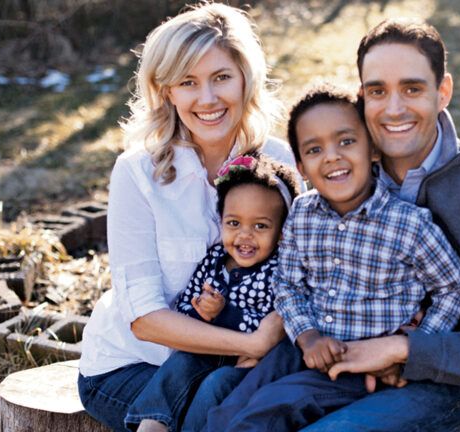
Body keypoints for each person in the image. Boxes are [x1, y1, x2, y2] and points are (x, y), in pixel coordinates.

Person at [301, 19, 460, 431]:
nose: (394, 108)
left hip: (450, 384)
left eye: (412, 88)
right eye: (377, 91)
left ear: (443, 92)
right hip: (338, 357)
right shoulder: (339, 173)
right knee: (224, 400)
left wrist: (401, 349)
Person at [203, 85, 460, 431]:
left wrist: (411, 347)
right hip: (302, 347)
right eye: (315, 149)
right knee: (231, 408)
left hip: (356, 364)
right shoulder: (302, 213)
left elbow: (455, 286)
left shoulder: (407, 224)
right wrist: (308, 336)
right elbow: (287, 283)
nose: (331, 156)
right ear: (301, 166)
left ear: (373, 148)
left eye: (346, 141)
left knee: (267, 413)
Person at [77, 4, 298, 431]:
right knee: (219, 405)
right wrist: (250, 341)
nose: (208, 99)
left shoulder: (278, 162)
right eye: (188, 82)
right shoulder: (137, 172)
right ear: (166, 91)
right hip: (134, 365)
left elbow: (296, 271)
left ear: (244, 79)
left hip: (243, 361)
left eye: (221, 78)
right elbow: (144, 318)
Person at [125, 155, 301, 432]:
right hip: (212, 348)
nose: (245, 235)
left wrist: (224, 313)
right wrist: (200, 311)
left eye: (260, 226)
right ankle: (153, 422)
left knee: (215, 387)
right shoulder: (214, 259)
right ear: (220, 221)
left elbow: (275, 323)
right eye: (233, 223)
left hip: (252, 365)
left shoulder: (280, 269)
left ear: (281, 232)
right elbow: (185, 307)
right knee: (181, 362)